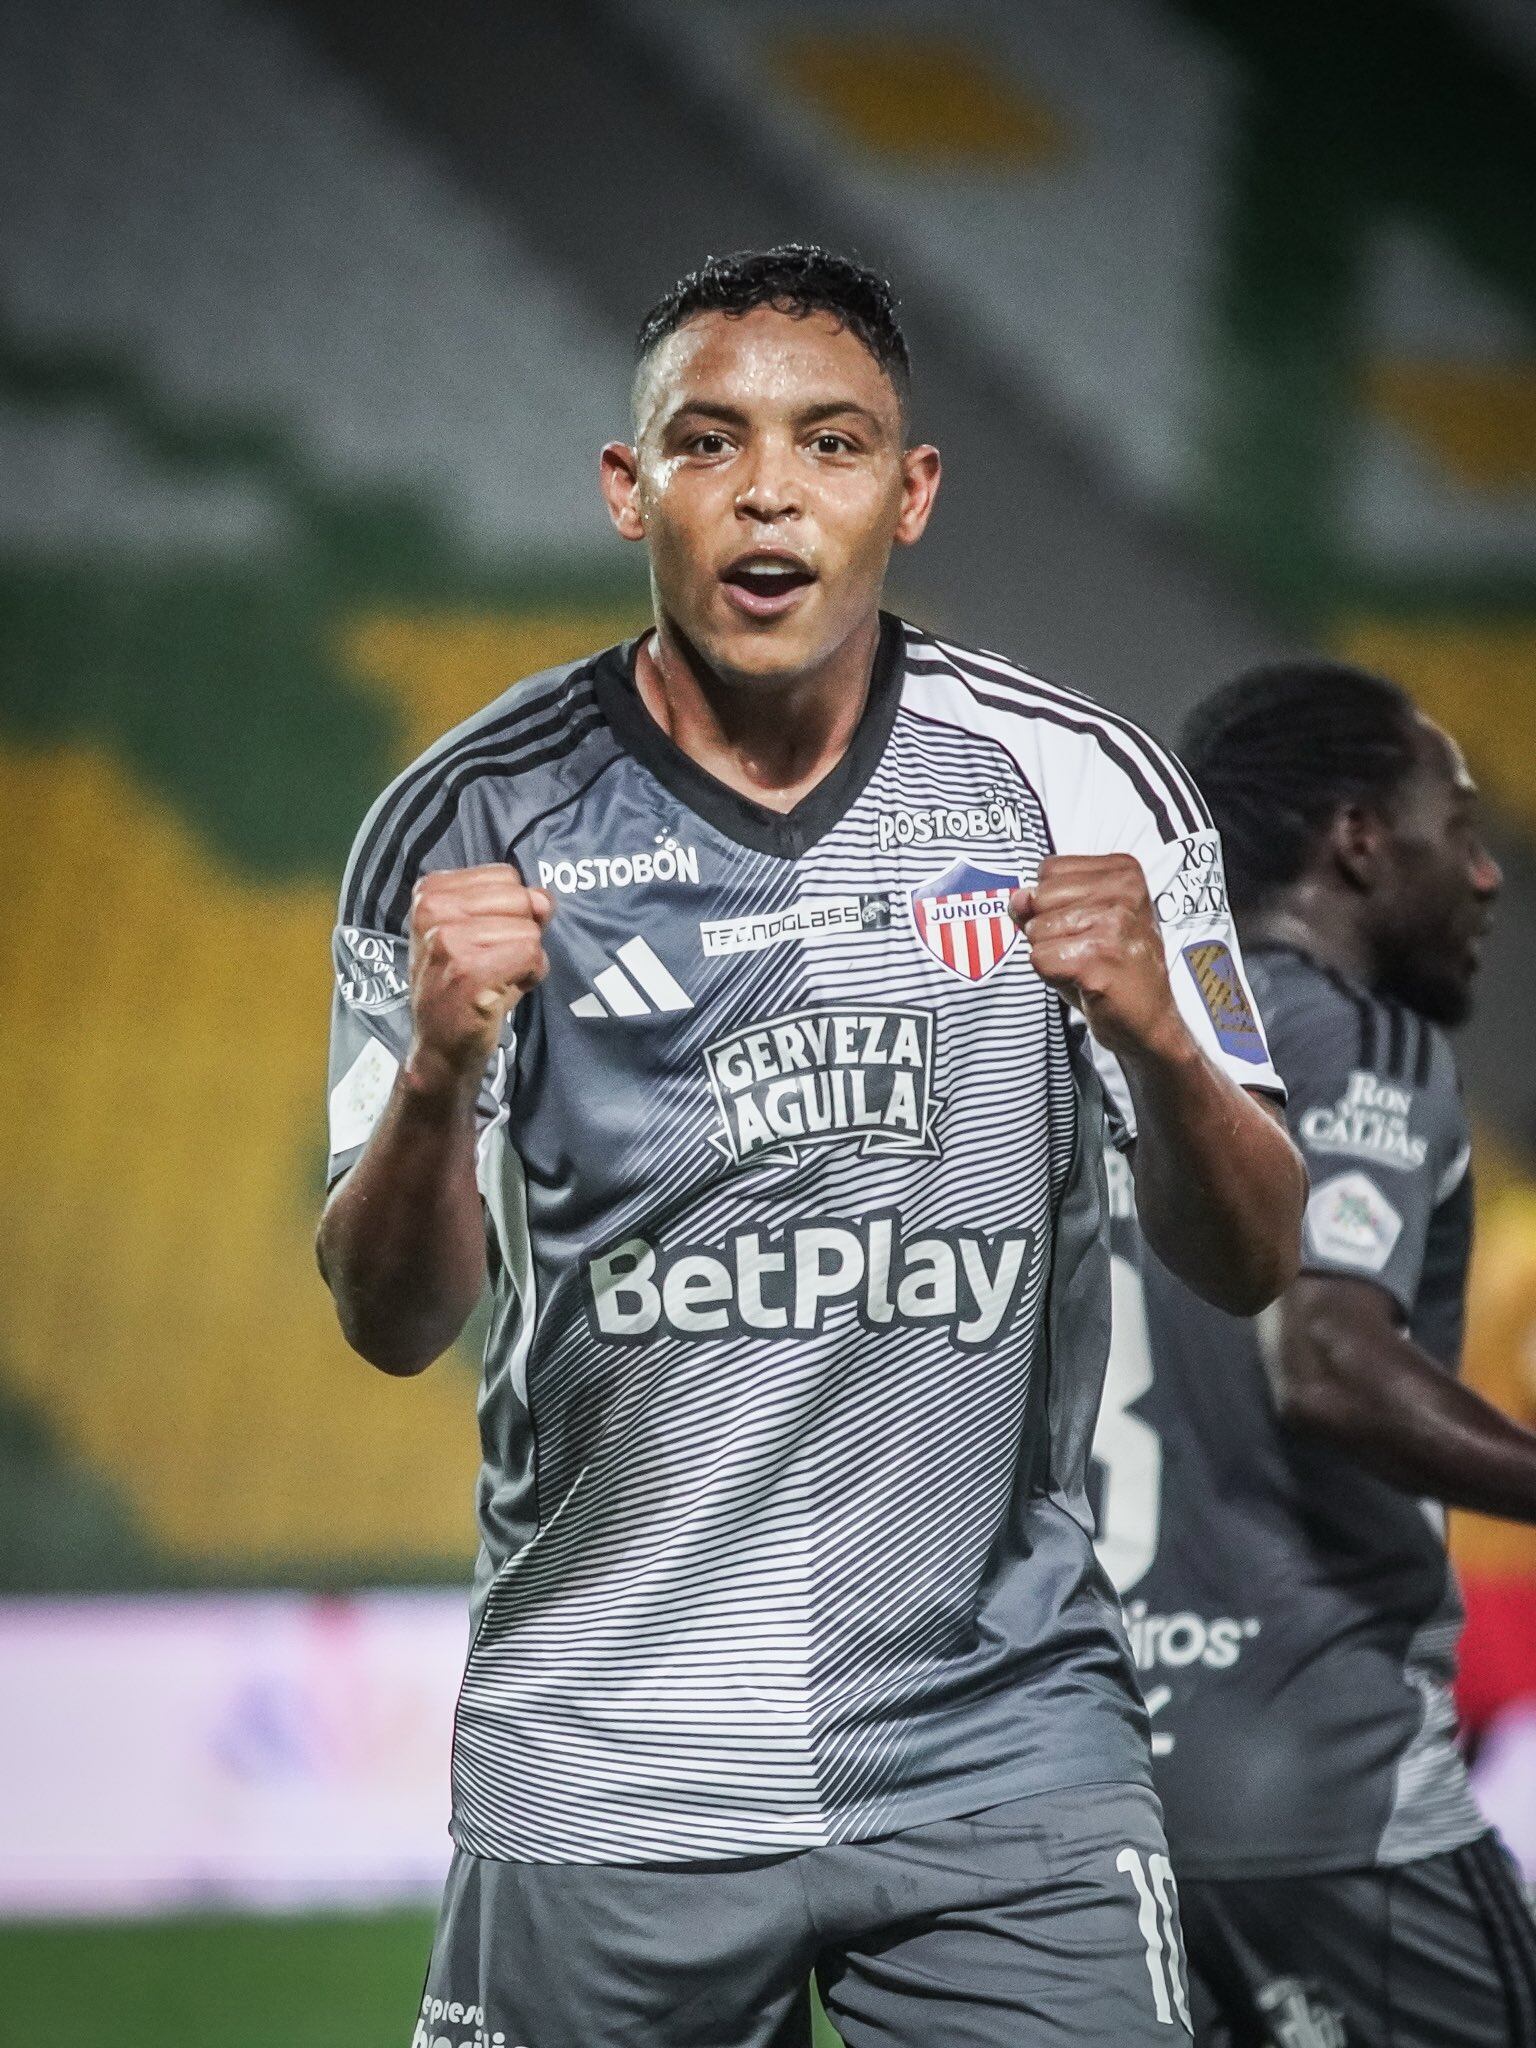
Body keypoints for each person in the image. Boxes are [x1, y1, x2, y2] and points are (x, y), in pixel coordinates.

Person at [318, 244, 1304, 2048]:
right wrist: (440, 1075)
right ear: (630, 489)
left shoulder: (1079, 788)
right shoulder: (466, 818)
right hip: (606, 1759)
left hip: (1004, 1743)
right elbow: (389, 1321)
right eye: (710, 443)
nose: (769, 492)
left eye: (830, 443)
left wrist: (1161, 1035)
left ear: (908, 494)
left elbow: (1252, 1259)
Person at [1092, 660, 1536, 2047]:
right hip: (1326, 1784)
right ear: (1357, 839)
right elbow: (1331, 1361)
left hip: (1093, 1800)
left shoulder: (1099, 1048)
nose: (1487, 878)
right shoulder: (1352, 1041)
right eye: (1456, 828)